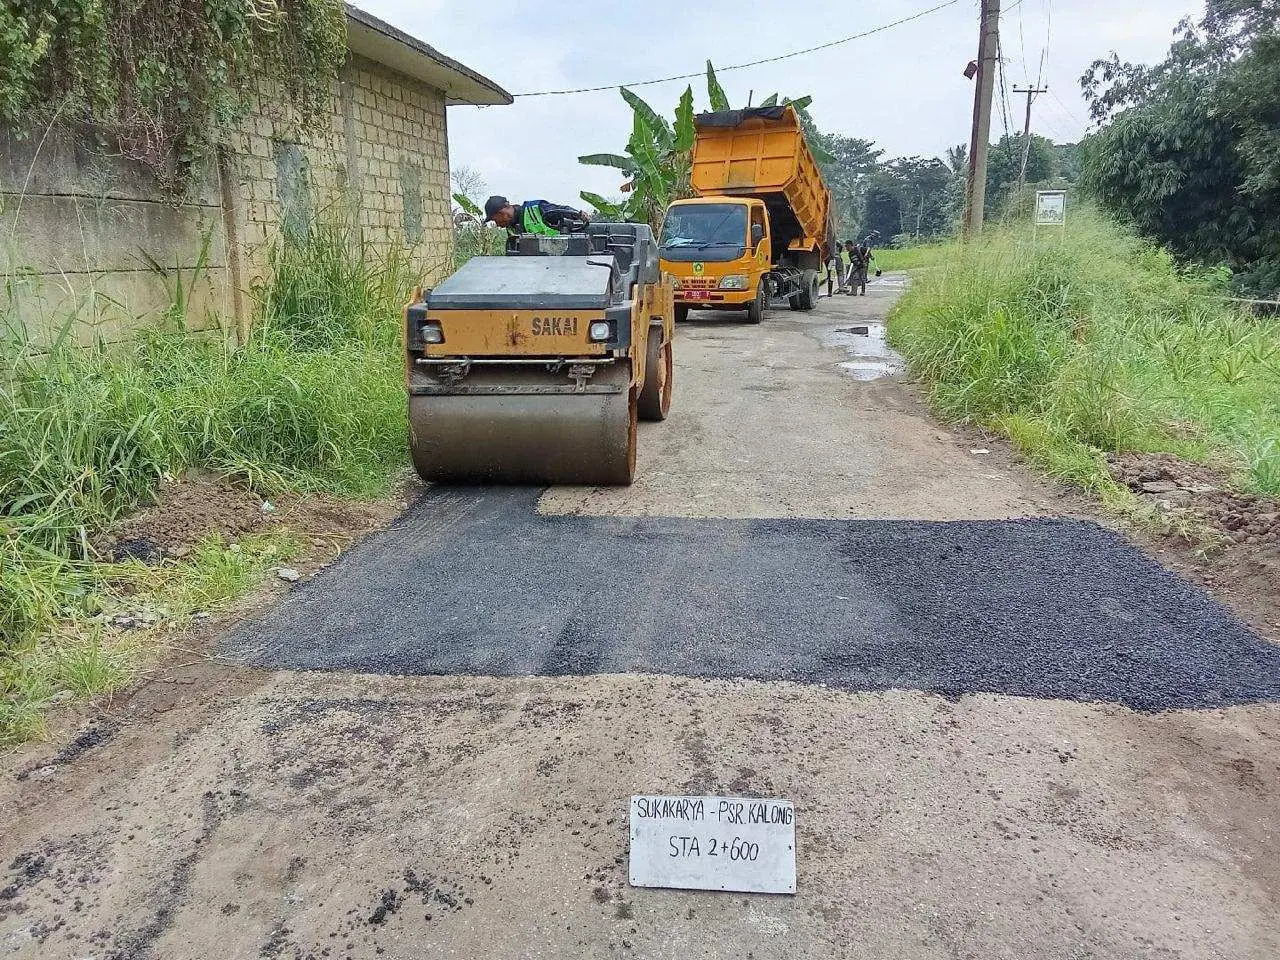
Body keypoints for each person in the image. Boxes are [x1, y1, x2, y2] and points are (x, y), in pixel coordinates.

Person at [483, 195, 589, 236]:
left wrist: (578, 215)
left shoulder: (535, 208)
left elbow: (562, 210)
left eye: (497, 219)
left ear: (507, 206)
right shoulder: (511, 229)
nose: (498, 224)